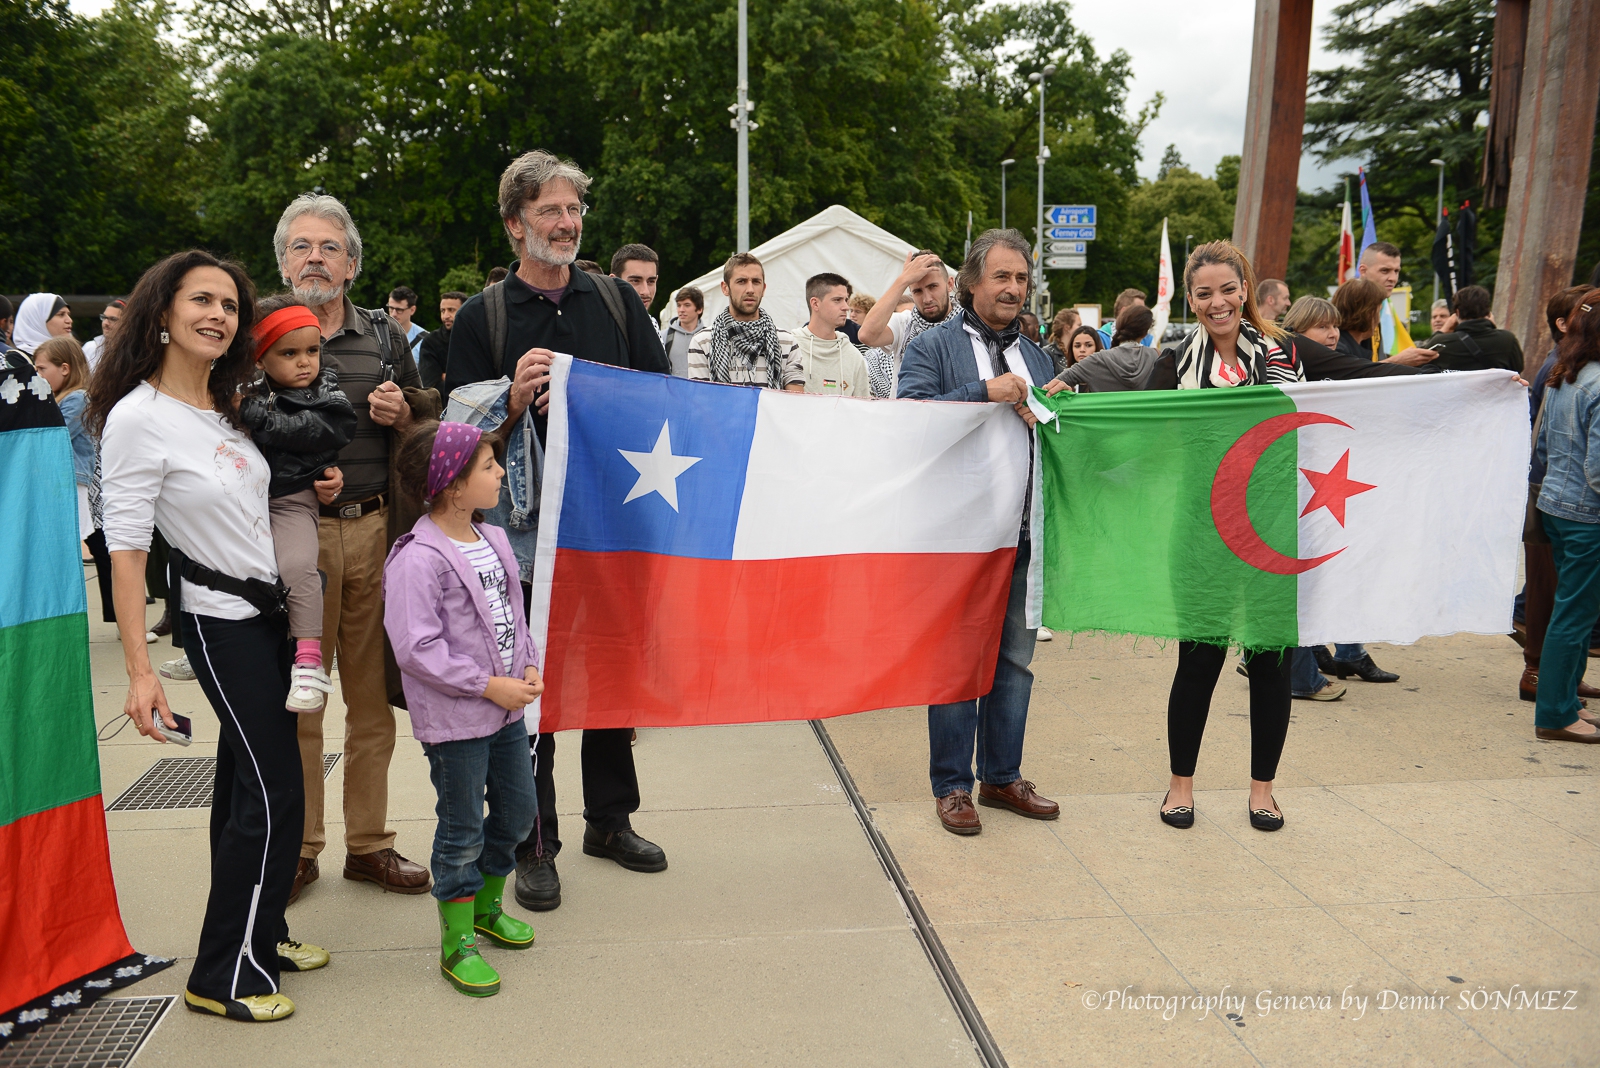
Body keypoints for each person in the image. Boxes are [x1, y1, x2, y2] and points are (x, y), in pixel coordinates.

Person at [90, 249, 332, 1022]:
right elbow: (125, 554)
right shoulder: (138, 417)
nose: (218, 316)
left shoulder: (229, 401)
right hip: (218, 623)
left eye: (229, 305)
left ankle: (264, 929)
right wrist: (139, 670)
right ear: (162, 312)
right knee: (273, 793)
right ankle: (224, 974)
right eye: (201, 300)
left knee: (244, 787)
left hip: (267, 617)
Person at [442, 149, 671, 914]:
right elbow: (453, 436)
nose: (567, 223)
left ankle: (612, 820)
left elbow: (659, 401)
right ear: (515, 225)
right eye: (550, 211)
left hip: (609, 523)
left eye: (574, 210)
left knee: (608, 675)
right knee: (529, 687)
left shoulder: (616, 303)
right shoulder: (484, 318)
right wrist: (510, 401)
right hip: (519, 537)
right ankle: (532, 842)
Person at [274, 193, 437, 904]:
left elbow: (429, 409)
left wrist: (408, 411)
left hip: (375, 530)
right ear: (283, 259)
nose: (315, 257)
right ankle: (302, 847)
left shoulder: (384, 335)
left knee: (371, 705)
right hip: (294, 539)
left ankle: (369, 845)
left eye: (329, 247)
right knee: (301, 703)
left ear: (353, 262)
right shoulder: (262, 334)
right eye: (302, 246)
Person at [896, 228, 1059, 835]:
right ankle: (953, 786)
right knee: (957, 660)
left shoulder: (1039, 356)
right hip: (959, 537)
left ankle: (1001, 776)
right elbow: (910, 421)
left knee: (1015, 662)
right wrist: (982, 393)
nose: (1014, 289)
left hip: (1022, 534)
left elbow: (1055, 434)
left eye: (1021, 279)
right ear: (970, 283)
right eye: (1002, 277)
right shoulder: (933, 347)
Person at [386, 421, 543, 996]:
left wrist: (525, 663)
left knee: (517, 813)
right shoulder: (417, 559)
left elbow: (512, 614)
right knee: (461, 830)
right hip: (458, 722)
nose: (501, 472)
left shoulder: (494, 538)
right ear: (453, 485)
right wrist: (487, 685)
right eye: (488, 466)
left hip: (503, 711)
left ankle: (485, 907)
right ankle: (456, 943)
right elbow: (416, 648)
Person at [1156, 240, 1301, 832]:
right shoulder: (1171, 362)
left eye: (1228, 289)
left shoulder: (1285, 353)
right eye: (1204, 292)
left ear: (1245, 289)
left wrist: (1426, 374)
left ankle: (1261, 791)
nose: (1218, 302)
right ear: (1190, 300)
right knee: (1199, 660)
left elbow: (1354, 381)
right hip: (1200, 532)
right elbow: (1114, 396)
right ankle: (1179, 787)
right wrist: (1060, 394)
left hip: (1269, 528)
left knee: (1270, 663)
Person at [238, 295, 356, 714]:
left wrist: (258, 418)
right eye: (289, 353)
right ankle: (208, 642)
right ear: (260, 358)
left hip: (289, 499)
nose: (305, 362)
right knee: (216, 565)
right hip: (239, 500)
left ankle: (308, 661)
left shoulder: (325, 388)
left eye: (312, 350)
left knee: (298, 566)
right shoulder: (239, 390)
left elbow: (327, 428)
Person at [1518, 285, 1598, 705]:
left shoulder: (1566, 370)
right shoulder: (1576, 374)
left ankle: (1563, 686)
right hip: (1573, 502)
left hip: (1556, 496)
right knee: (1565, 606)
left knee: (1569, 605)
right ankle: (1550, 695)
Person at [685, 253, 803, 389]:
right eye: (741, 281)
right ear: (725, 288)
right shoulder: (702, 342)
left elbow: (795, 402)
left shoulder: (787, 342)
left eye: (756, 282)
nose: (750, 289)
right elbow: (701, 401)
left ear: (763, 288)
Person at [856, 248, 956, 391]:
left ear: (950, 284)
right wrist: (902, 281)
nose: (927, 299)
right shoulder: (904, 323)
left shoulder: (969, 323)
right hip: (909, 411)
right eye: (917, 291)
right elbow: (867, 335)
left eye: (933, 287)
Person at [1283, 296, 1437, 380]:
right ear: (1297, 330)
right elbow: (1363, 371)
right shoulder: (1293, 348)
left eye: (1336, 326)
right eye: (1322, 327)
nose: (1334, 334)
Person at [33, 337, 95, 540]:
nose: (37, 375)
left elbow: (57, 436)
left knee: (66, 539)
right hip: (59, 479)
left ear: (65, 369)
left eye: (42, 369)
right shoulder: (57, 398)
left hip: (69, 480)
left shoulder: (77, 399)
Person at [1044, 306, 1156, 395]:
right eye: (1077, 345)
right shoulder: (1157, 358)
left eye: (1088, 345)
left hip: (1101, 423)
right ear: (1145, 333)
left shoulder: (1096, 360)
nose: (1082, 350)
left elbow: (1050, 388)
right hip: (1145, 423)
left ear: (1118, 326)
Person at [795, 272, 872, 397]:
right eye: (837, 300)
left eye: (846, 300)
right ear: (815, 304)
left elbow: (863, 407)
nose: (846, 307)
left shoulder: (853, 355)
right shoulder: (791, 346)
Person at [1423, 285, 1523, 373]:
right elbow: (1518, 368)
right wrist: (1493, 328)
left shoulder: (1441, 342)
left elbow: (1419, 362)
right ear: (1488, 312)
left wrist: (1442, 331)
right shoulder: (1508, 339)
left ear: (1457, 313)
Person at [1355, 241, 1422, 359]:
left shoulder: (1385, 311)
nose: (1393, 278)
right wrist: (1397, 362)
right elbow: (1352, 370)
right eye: (1385, 271)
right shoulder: (1350, 311)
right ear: (1363, 271)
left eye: (1396, 271)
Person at [418, 290, 467, 392]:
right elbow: (431, 386)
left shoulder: (476, 338)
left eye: (451, 310)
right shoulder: (431, 342)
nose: (445, 316)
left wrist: (447, 376)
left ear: (465, 310)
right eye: (443, 311)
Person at [659, 285, 703, 377]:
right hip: (672, 390)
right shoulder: (664, 336)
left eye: (687, 305)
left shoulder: (708, 337)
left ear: (699, 309)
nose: (681, 310)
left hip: (700, 390)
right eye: (679, 305)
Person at [610, 243, 660, 312]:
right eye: (635, 281)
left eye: (651, 281)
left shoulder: (652, 322)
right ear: (613, 282)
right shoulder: (599, 321)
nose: (646, 292)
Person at [84, 298, 125, 369]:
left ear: (126, 323)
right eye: (104, 317)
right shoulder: (90, 348)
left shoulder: (134, 352)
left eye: (113, 319)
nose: (105, 323)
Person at [386, 286, 426, 357]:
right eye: (391, 308)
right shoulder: (378, 335)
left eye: (399, 310)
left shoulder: (424, 341)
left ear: (412, 310)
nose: (394, 314)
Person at [1041, 308, 1079, 374]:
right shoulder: (1047, 353)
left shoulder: (1078, 350)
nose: (1081, 328)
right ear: (1067, 327)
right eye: (1079, 325)